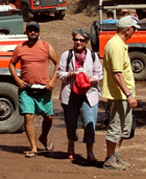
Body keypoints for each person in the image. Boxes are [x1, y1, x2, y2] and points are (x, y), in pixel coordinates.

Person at [9, 21, 59, 158]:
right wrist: (17, 80)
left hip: (44, 89)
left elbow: (57, 63)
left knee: (48, 117)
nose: (33, 32)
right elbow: (11, 64)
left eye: (35, 30)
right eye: (30, 30)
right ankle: (34, 147)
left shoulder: (46, 46)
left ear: (39, 32)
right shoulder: (19, 48)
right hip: (27, 89)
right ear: (26, 32)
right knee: (28, 116)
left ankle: (44, 137)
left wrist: (53, 81)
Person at [56, 28, 103, 162]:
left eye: (81, 40)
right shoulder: (67, 55)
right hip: (71, 94)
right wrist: (71, 74)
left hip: (89, 94)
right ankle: (71, 147)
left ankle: (90, 151)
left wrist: (89, 79)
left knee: (89, 123)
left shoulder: (92, 56)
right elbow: (60, 73)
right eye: (76, 39)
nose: (78, 42)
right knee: (71, 123)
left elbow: (100, 74)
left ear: (86, 41)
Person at [101, 16, 139, 170]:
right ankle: (109, 159)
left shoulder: (120, 44)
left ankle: (116, 155)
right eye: (134, 29)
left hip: (124, 95)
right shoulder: (115, 46)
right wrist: (128, 95)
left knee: (124, 127)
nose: (134, 32)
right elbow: (117, 73)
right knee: (116, 127)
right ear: (127, 29)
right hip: (119, 95)